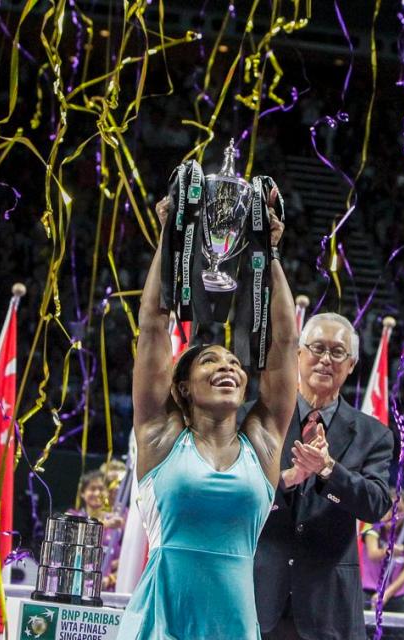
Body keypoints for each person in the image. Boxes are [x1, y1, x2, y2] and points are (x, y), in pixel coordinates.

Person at [116, 190, 299, 639]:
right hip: (160, 625)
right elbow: (153, 324)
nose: (228, 367)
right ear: (182, 386)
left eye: (234, 363)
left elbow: (285, 344)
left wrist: (270, 253)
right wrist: (170, 236)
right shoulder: (159, 437)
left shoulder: (264, 443)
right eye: (210, 361)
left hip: (233, 628)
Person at [249, 312, 395, 640]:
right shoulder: (257, 419)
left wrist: (329, 470)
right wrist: (287, 479)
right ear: (298, 354)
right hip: (257, 599)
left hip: (329, 609)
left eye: (338, 352)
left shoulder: (373, 434)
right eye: (317, 348)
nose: (326, 359)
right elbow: (234, 492)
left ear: (351, 365)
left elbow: (376, 504)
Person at [361, 488, 404, 640]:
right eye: (389, 509)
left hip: (397, 598)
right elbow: (373, 554)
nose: (394, 515)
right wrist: (389, 551)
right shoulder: (373, 525)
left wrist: (386, 594)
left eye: (399, 510)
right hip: (369, 595)